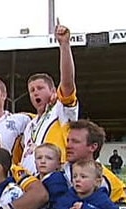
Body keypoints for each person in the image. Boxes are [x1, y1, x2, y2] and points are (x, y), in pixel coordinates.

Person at [20, 22, 78, 173]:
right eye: (31, 90)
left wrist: (64, 45)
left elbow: (67, 83)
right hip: (30, 184)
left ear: (53, 91)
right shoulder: (29, 125)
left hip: (56, 181)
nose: (35, 93)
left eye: (40, 88)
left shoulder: (60, 112)